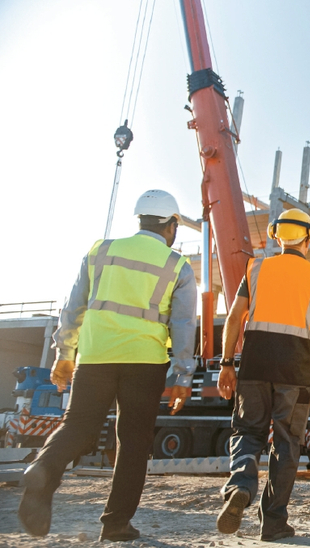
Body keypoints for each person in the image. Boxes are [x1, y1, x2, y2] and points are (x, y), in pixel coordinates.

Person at [18, 189, 197, 541]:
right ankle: (115, 525)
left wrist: (64, 355)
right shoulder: (178, 266)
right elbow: (183, 326)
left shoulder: (100, 251)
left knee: (78, 426)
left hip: (96, 356)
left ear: (139, 219)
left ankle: (43, 468)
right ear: (172, 226)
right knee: (132, 442)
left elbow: (72, 308)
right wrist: (182, 376)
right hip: (144, 362)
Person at [216, 208, 310, 542]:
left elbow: (235, 316)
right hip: (295, 372)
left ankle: (240, 485)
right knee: (287, 444)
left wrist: (227, 363)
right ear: (308, 240)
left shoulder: (255, 268)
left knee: (248, 432)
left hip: (254, 366)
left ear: (276, 236)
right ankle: (274, 523)